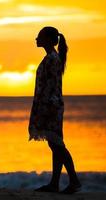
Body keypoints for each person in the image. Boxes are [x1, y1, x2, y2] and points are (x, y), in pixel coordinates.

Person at [28, 26, 82, 194]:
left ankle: (73, 180)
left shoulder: (52, 59)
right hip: (52, 104)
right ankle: (55, 183)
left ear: (48, 40)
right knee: (55, 144)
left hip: (50, 105)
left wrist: (43, 109)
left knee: (57, 144)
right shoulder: (52, 58)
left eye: (39, 36)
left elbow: (49, 87)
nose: (36, 39)